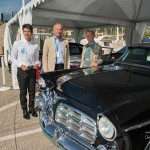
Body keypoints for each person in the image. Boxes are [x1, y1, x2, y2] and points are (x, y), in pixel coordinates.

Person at [11, 24, 41, 119]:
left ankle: (31, 109)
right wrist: (21, 65)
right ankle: (24, 110)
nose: (26, 33)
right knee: (23, 92)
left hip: (32, 70)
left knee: (32, 91)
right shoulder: (17, 43)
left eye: (28, 31)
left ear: (31, 32)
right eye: (25, 31)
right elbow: (12, 58)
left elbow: (37, 59)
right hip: (22, 71)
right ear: (23, 32)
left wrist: (37, 63)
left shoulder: (35, 45)